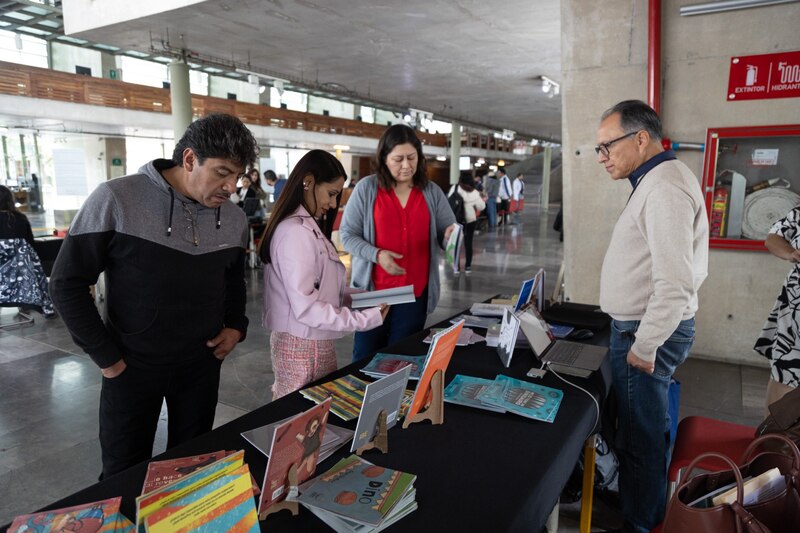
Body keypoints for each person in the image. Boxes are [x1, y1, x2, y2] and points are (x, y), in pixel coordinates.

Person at [49, 113, 258, 479]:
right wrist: (107, 358)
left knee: (192, 465)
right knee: (123, 474)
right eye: (222, 172)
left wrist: (235, 325)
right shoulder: (117, 198)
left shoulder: (235, 218)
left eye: (237, 176)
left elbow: (233, 278)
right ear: (190, 159)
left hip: (200, 365)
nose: (231, 187)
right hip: (132, 368)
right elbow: (66, 283)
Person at [596, 100, 709, 532]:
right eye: (599, 150)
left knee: (640, 439)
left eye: (608, 146)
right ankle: (642, 507)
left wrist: (645, 345)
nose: (603, 158)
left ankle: (640, 523)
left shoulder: (663, 187)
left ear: (641, 138)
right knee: (645, 427)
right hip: (642, 328)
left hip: (645, 333)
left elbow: (675, 281)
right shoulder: (656, 179)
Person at [260, 150, 388, 398]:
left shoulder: (306, 227)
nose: (333, 203)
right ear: (308, 182)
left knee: (314, 417)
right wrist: (364, 320)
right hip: (302, 347)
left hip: (312, 342)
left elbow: (323, 290)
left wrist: (363, 298)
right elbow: (307, 307)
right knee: (301, 421)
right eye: (331, 194)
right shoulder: (295, 232)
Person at [341, 124, 457, 362]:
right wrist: (377, 254)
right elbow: (348, 235)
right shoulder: (367, 189)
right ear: (384, 158)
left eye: (412, 158)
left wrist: (450, 238)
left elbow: (447, 235)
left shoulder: (431, 192)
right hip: (373, 293)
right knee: (364, 357)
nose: (406, 165)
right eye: (398, 159)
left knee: (401, 360)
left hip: (413, 295)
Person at [754, 207, 800, 406]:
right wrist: (791, 253)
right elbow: (773, 238)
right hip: (796, 303)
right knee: (786, 365)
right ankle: (774, 433)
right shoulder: (798, 214)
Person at [451, 172, 485, 273]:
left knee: (456, 243)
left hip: (457, 220)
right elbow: (481, 207)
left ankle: (456, 267)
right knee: (468, 243)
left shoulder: (455, 188)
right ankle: (468, 267)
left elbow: (449, 201)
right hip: (470, 220)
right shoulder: (474, 192)